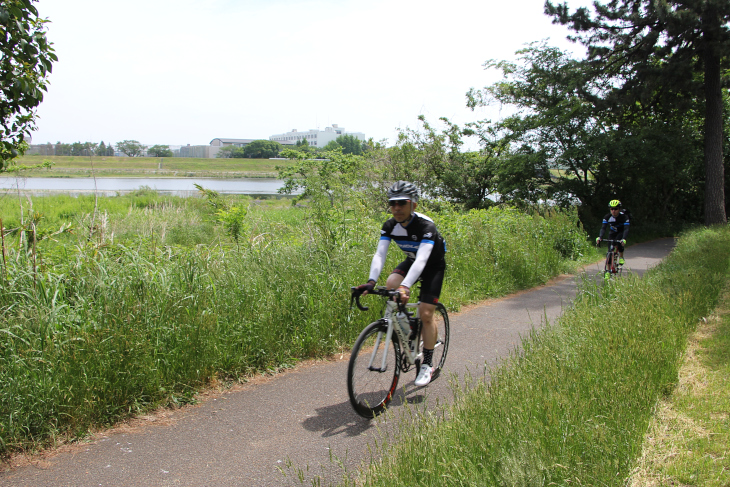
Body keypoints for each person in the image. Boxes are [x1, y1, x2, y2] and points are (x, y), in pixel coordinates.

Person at [354, 181, 447, 387]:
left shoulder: (426, 227)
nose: (396, 208)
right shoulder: (390, 225)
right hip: (412, 260)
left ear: (413, 205)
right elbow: (380, 254)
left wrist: (406, 286)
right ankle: (407, 325)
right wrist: (371, 281)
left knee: (426, 313)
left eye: (402, 203)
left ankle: (427, 364)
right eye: (392, 204)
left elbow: (423, 260)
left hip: (432, 265)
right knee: (390, 284)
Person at [596, 199, 630, 265]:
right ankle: (608, 272)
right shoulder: (607, 217)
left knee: (619, 241)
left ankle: (621, 257)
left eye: (615, 209)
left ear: (619, 209)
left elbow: (626, 229)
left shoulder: (624, 217)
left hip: (621, 232)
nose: (613, 211)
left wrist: (624, 238)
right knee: (609, 251)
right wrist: (600, 237)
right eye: (612, 209)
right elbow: (603, 228)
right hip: (612, 232)